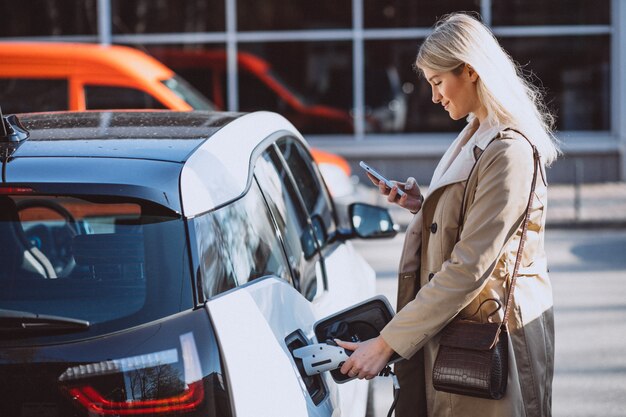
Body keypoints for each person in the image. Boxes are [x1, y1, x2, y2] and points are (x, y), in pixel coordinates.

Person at [336, 12, 558, 417]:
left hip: (490, 339)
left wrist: (387, 344)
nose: (435, 96)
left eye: (438, 82)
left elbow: (469, 266)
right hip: (463, 331)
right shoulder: (477, 132)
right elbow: (475, 223)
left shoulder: (509, 150)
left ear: (470, 71)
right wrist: (424, 205)